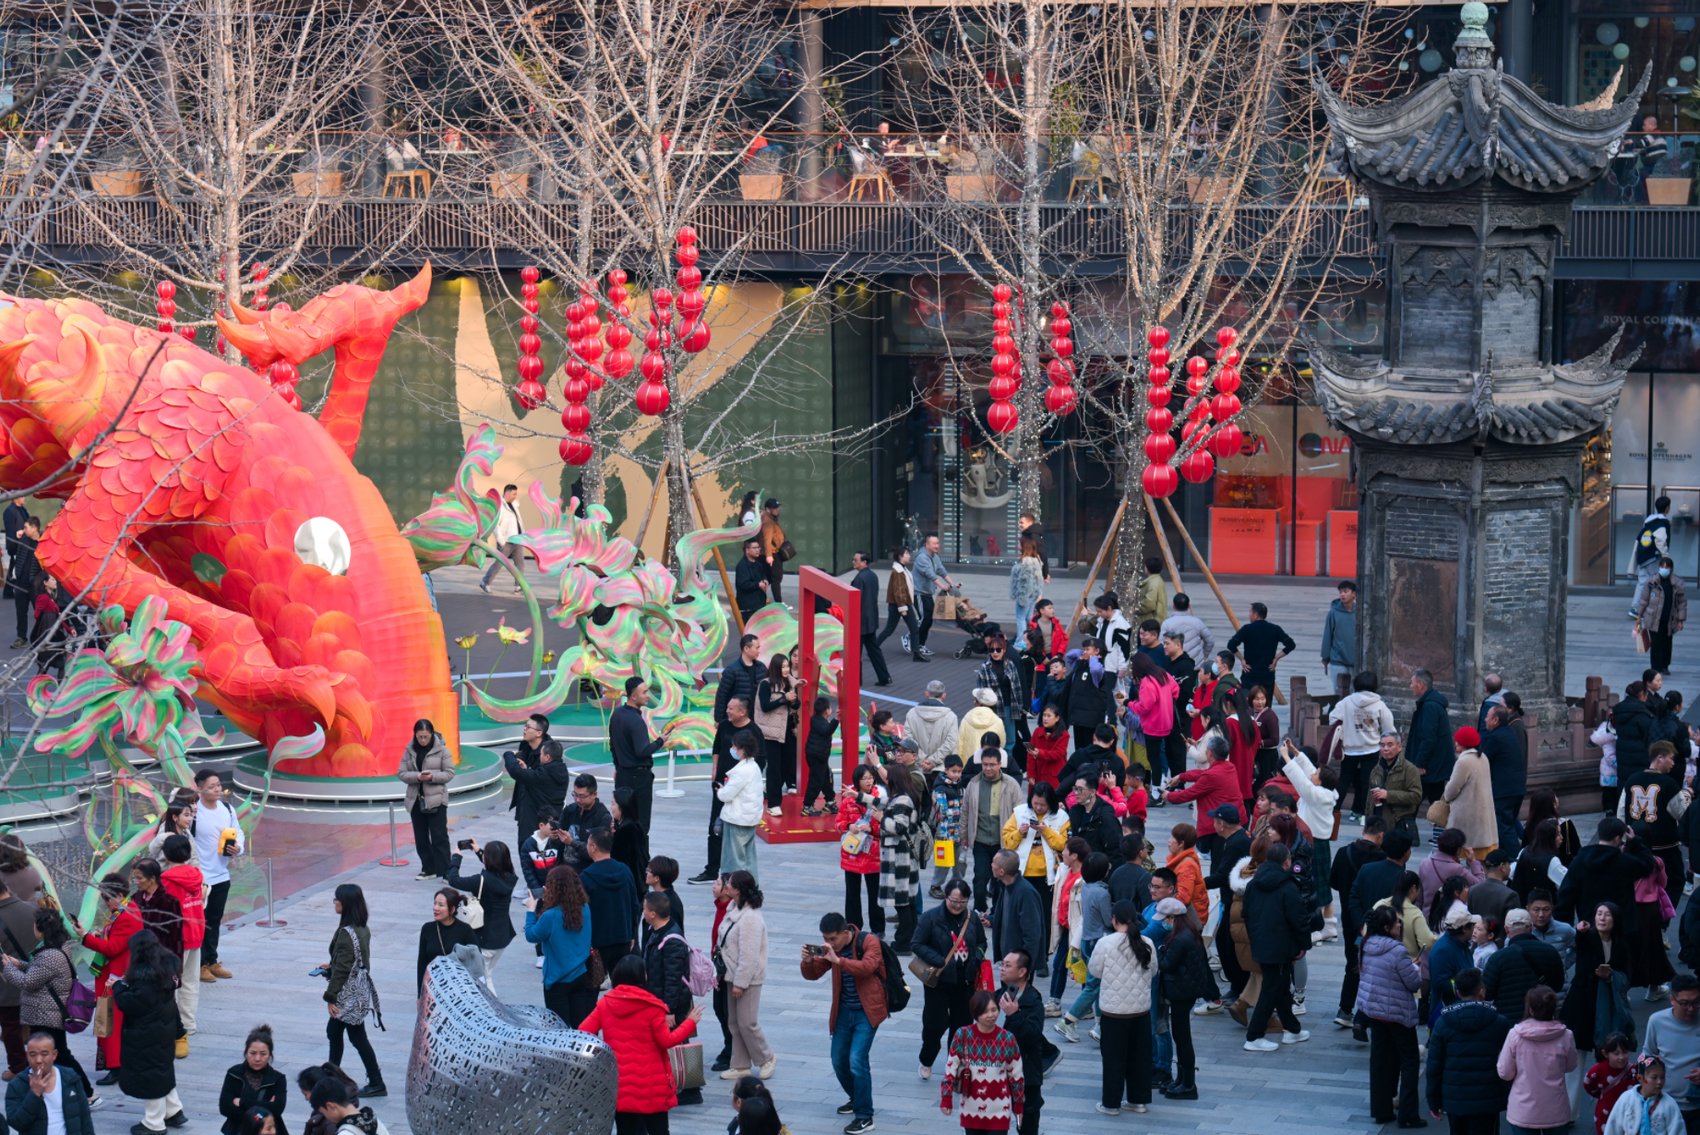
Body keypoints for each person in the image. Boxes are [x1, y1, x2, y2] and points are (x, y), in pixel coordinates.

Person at [579, 953, 701, 1135]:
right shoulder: (652, 1007)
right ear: (642, 977)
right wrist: (689, 1022)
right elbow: (666, 1041)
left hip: (620, 1084)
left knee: (626, 1131)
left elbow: (584, 1030)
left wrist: (603, 1054)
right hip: (653, 1086)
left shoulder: (605, 1004)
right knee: (658, 1131)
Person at [800, 911, 888, 1135]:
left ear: (845, 933)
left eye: (832, 939)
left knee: (857, 1059)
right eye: (825, 939)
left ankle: (865, 1116)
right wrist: (808, 962)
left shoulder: (869, 941)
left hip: (868, 1012)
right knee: (838, 1060)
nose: (828, 943)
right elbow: (813, 974)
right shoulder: (833, 950)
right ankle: (857, 1097)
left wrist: (838, 960)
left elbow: (868, 968)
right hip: (843, 1012)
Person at [1241, 842, 1311, 1051]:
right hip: (1281, 946)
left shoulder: (1254, 883)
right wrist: (1303, 943)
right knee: (1272, 989)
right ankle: (1254, 1036)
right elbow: (1298, 919)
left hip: (1260, 942)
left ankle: (1292, 1029)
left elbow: (1246, 914)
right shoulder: (1288, 885)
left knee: (1279, 986)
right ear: (1286, 861)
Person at [1425, 967, 1512, 1135]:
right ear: (1482, 991)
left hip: (1455, 1098)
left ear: (1457, 992)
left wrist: (1433, 1101)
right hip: (1488, 1097)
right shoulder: (1499, 1022)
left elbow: (1434, 1065)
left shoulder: (1443, 1022)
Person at [1356, 905, 1423, 1125]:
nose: (1399, 924)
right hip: (1397, 1013)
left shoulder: (1365, 945)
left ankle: (1381, 1110)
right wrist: (1415, 968)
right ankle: (1408, 1115)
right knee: (1410, 1061)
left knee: (1380, 1061)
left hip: (1375, 1011)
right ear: (1387, 927)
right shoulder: (1397, 950)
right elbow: (1413, 983)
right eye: (1396, 922)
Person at [112, 930, 183, 1133]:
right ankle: (173, 1111)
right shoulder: (166, 969)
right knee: (163, 1070)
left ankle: (154, 1123)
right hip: (164, 1031)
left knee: (151, 1076)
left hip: (147, 1035)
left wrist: (118, 987)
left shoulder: (146, 978)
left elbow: (129, 1003)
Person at [1089, 900, 1155, 1115]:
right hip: (1141, 1010)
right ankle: (1138, 1100)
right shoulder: (1147, 942)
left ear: (1114, 919)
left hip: (1114, 1012)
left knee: (1113, 1059)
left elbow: (1095, 971)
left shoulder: (1105, 943)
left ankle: (1111, 1104)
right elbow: (1154, 971)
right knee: (1139, 1057)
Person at [916, 880, 986, 1081]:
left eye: (962, 901)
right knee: (934, 1025)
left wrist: (977, 958)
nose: (957, 905)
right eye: (954, 900)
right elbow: (917, 943)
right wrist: (938, 960)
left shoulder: (972, 918)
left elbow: (982, 942)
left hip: (965, 981)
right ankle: (926, 1058)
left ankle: (954, 1066)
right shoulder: (931, 918)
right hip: (938, 981)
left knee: (962, 1026)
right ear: (946, 897)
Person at [321, 884, 384, 1099]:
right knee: (336, 1032)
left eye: (337, 899)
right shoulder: (361, 928)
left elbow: (343, 970)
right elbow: (358, 961)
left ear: (345, 903)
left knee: (356, 1037)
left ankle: (375, 1082)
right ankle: (332, 1077)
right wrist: (331, 965)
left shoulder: (347, 933)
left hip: (347, 996)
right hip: (358, 993)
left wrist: (331, 997)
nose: (334, 902)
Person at [76, 873, 140, 1085]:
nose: (105, 903)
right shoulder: (125, 911)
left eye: (106, 898)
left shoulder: (127, 916)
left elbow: (112, 948)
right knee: (109, 1022)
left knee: (108, 1023)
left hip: (114, 978)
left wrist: (86, 938)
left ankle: (115, 1066)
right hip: (113, 976)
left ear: (119, 894)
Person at [715, 871, 773, 1081]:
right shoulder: (734, 909)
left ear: (738, 889)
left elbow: (748, 955)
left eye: (729, 884)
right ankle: (739, 1065)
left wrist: (740, 983)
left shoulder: (750, 918)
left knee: (747, 1022)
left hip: (747, 979)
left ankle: (766, 1058)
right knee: (734, 1022)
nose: (725, 886)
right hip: (731, 975)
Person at [1497, 986, 1578, 1135]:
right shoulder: (1566, 1035)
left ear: (1530, 1010)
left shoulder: (1515, 1035)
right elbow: (1571, 1066)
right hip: (1556, 1108)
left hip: (1523, 1109)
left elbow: (1505, 1073)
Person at [941, 990, 1025, 1132]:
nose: (991, 1015)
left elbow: (1016, 1075)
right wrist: (946, 1098)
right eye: (985, 1012)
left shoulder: (1007, 1038)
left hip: (1000, 1110)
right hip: (970, 1110)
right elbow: (950, 1069)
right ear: (975, 1013)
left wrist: (1018, 1105)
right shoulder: (962, 1035)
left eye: (994, 1010)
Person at [1154, 896, 1212, 1099]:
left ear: (1173, 918)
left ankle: (1188, 1084)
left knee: (1182, 1038)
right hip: (1185, 990)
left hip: (1181, 992)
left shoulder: (1180, 938)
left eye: (1165, 918)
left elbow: (1167, 964)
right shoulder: (1188, 933)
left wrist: (1159, 951)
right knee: (1181, 1037)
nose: (1163, 922)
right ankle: (1182, 1079)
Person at [526, 865, 596, 1027]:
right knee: (579, 1026)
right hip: (580, 974)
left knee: (559, 1029)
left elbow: (531, 935)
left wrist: (531, 910)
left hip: (557, 980)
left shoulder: (550, 916)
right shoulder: (585, 908)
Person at [190, 768, 243, 982]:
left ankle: (212, 960)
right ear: (199, 788)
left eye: (219, 785)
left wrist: (238, 847)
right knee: (199, 921)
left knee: (214, 919)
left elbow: (238, 832)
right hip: (201, 877)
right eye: (212, 787)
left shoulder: (227, 809)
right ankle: (200, 964)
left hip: (221, 874)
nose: (217, 790)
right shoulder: (194, 812)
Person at [445, 839, 518, 992]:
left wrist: (456, 858)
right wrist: (478, 851)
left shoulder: (480, 881)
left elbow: (453, 879)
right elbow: (494, 866)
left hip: (484, 938)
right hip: (503, 936)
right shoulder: (511, 878)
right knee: (487, 974)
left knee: (482, 978)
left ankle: (491, 1010)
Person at [1330, 670, 1396, 822]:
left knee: (1344, 781)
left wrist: (1343, 732)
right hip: (1371, 749)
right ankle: (1362, 813)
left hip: (1350, 749)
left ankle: (1334, 810)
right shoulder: (1379, 705)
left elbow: (1333, 718)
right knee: (1367, 782)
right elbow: (1389, 728)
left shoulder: (1346, 702)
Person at [6, 1029, 95, 1135]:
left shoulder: (70, 1078)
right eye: (33, 1054)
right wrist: (34, 1094)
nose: (38, 1060)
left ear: (54, 1055)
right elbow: (16, 1123)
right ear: (27, 1056)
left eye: (44, 1054)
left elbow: (85, 1118)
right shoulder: (17, 1084)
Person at [611, 680, 673, 832]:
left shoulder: (617, 714)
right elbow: (642, 751)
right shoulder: (636, 721)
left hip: (622, 775)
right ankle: (640, 855)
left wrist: (618, 767)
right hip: (638, 779)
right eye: (644, 692)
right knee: (641, 824)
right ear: (633, 696)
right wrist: (660, 741)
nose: (648, 696)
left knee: (622, 820)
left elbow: (613, 746)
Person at [398, 720, 455, 881]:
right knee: (421, 837)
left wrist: (432, 777)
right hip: (416, 799)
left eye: (426, 737)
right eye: (420, 737)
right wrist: (417, 776)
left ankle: (445, 871)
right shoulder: (409, 751)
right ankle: (428, 868)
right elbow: (402, 773)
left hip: (436, 799)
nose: (423, 740)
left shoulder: (442, 750)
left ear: (432, 735)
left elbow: (450, 773)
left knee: (439, 837)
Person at [1483, 909, 1565, 1021]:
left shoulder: (1498, 958)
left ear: (1506, 929)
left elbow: (1486, 993)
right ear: (1531, 927)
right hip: (1542, 1018)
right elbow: (1557, 985)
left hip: (1509, 1022)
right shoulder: (1550, 952)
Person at [1642, 975, 1700, 1126]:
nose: (1691, 1008)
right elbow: (1647, 1056)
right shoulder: (1657, 1021)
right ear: (1672, 1000)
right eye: (1684, 1003)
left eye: (1696, 1002)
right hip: (1665, 1104)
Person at [964, 749, 1017, 913]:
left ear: (1000, 764)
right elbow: (965, 812)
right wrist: (964, 835)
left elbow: (1019, 812)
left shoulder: (1011, 784)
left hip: (1002, 842)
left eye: (992, 765)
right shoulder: (973, 783)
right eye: (985, 764)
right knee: (979, 880)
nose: (988, 768)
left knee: (1000, 881)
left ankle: (997, 912)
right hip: (980, 840)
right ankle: (979, 910)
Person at [582, 828, 640, 976]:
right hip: (623, 938)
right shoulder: (625, 871)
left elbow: (582, 912)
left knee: (592, 985)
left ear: (593, 847)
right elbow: (634, 905)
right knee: (621, 984)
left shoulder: (586, 877)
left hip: (597, 941)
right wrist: (632, 933)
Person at [877, 770, 923, 952]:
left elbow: (899, 827)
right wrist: (857, 795)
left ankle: (903, 941)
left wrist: (881, 820)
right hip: (903, 855)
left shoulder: (903, 800)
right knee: (907, 900)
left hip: (899, 856)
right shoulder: (901, 797)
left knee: (902, 901)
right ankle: (909, 939)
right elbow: (881, 803)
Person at [837, 765, 886, 934]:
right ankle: (853, 926)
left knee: (875, 894)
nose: (868, 781)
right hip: (852, 853)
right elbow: (838, 823)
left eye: (871, 778)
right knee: (852, 893)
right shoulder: (847, 801)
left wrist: (871, 829)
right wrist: (849, 826)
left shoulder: (880, 799)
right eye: (865, 778)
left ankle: (878, 928)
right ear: (857, 781)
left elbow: (885, 827)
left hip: (873, 853)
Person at [220, 1024, 289, 1135]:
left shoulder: (278, 1079)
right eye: (253, 1053)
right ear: (246, 1052)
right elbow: (225, 1107)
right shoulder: (234, 1074)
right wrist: (263, 1107)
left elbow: (276, 1109)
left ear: (270, 1055)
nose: (257, 1058)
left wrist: (242, 1102)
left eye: (263, 1054)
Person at [1441, 728, 1499, 859]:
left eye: (1458, 741)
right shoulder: (1483, 757)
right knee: (1481, 859)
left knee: (1462, 853)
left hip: (1467, 817)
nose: (1455, 743)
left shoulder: (1463, 761)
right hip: (1482, 815)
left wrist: (1446, 790)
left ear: (1464, 744)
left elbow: (1451, 791)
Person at [753, 656, 800, 813]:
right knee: (774, 767)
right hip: (770, 732)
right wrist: (784, 699)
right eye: (783, 667)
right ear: (775, 668)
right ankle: (773, 804)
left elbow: (797, 704)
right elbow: (765, 706)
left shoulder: (789, 684)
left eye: (787, 666)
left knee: (785, 765)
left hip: (786, 730)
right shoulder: (765, 684)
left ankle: (775, 796)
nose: (786, 669)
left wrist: (792, 700)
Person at [1226, 601, 1295, 705]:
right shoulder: (1275, 629)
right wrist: (1276, 659)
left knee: (1248, 706)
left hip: (1250, 674)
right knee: (1265, 705)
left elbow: (1231, 645)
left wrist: (1242, 659)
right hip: (1267, 675)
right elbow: (1290, 644)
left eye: (1250, 612)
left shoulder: (1247, 629)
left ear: (1255, 614)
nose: (1249, 615)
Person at [1480, 705, 1527, 852]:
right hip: (1517, 788)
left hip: (1504, 790)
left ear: (1495, 720)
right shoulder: (1508, 733)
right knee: (1510, 823)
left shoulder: (1495, 737)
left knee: (1504, 826)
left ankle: (1516, 860)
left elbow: (1483, 760)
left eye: (1487, 716)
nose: (1485, 719)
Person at [717, 735, 765, 880]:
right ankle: (751, 889)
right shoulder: (754, 766)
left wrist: (720, 790)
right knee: (749, 859)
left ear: (742, 750)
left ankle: (734, 891)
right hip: (750, 818)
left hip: (737, 819)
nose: (732, 750)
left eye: (735, 747)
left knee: (734, 861)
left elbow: (726, 795)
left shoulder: (741, 771)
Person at [989, 850, 1046, 972]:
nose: (991, 865)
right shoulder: (1005, 886)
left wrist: (1024, 966)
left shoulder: (1026, 893)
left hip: (1019, 966)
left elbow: (1032, 935)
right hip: (1008, 961)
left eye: (994, 863)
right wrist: (991, 920)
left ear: (1002, 871)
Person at [1603, 1054, 1684, 1135]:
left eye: (1662, 1077)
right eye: (1654, 1077)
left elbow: (1677, 1131)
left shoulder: (1669, 1104)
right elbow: (1613, 1127)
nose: (1659, 1082)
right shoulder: (1626, 1099)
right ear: (1640, 1078)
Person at [1056, 638, 1114, 751]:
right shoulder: (1079, 665)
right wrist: (1082, 653)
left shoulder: (1098, 668)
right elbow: (1069, 656)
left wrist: (1093, 658)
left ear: (1097, 651)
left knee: (1089, 748)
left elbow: (1095, 670)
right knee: (1079, 748)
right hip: (1077, 715)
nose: (1084, 651)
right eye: (1084, 649)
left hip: (1091, 719)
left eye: (1087, 649)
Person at [1408, 670, 1455, 804]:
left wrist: (1420, 763)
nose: (1410, 686)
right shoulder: (1430, 703)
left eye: (1412, 683)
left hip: (1430, 766)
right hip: (1434, 764)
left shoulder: (1430, 706)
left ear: (1421, 684)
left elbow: (1428, 737)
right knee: (1434, 800)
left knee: (1416, 801)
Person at [1368, 732, 1425, 842]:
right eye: (1382, 745)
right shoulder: (1376, 769)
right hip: (1377, 823)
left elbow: (1416, 796)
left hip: (1398, 823)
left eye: (1390, 745)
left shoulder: (1409, 769)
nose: (1385, 749)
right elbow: (1368, 798)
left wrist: (1389, 795)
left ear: (1399, 747)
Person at [848, 552, 891, 688]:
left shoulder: (859, 579)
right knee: (874, 650)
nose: (853, 562)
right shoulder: (872, 576)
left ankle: (856, 680)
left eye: (856, 560)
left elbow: (855, 601)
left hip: (859, 620)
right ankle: (884, 677)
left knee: (856, 653)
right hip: (871, 619)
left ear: (864, 562)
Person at [913, 533, 958, 660]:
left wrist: (952, 584)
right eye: (934, 543)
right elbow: (930, 575)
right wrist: (943, 586)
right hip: (918, 594)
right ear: (927, 545)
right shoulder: (922, 558)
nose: (937, 546)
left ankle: (920, 644)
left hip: (927, 594)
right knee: (924, 619)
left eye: (938, 543)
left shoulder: (935, 556)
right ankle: (915, 643)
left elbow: (942, 571)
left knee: (928, 619)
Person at [1630, 496, 1674, 617]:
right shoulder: (1662, 523)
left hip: (1643, 556)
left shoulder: (1649, 522)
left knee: (1642, 582)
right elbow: (1660, 541)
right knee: (1655, 582)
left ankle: (1635, 608)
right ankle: (1651, 608)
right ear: (1667, 508)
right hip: (1653, 557)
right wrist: (1666, 557)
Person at [479, 482, 526, 591]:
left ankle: (519, 586)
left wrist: (523, 535)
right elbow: (495, 525)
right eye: (514, 494)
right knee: (499, 564)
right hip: (507, 541)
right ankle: (485, 582)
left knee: (520, 564)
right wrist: (501, 541)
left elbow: (519, 521)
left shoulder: (514, 505)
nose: (515, 496)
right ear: (507, 493)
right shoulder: (500, 506)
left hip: (517, 540)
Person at [876, 547, 920, 656]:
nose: (909, 556)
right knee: (914, 629)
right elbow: (899, 591)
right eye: (907, 554)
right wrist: (903, 608)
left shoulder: (902, 569)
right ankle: (917, 654)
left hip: (899, 604)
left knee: (889, 629)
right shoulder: (899, 571)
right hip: (901, 604)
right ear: (900, 557)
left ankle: (874, 648)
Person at [5, 516, 39, 649]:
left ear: (34, 528)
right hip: (20, 582)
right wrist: (15, 536)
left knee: (39, 612)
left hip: (34, 584)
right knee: (21, 611)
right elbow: (12, 550)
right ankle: (21, 637)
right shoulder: (23, 538)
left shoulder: (42, 542)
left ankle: (42, 637)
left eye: (26, 527)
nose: (23, 529)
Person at [307, 1078, 387, 1135]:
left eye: (323, 1113)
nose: (326, 1117)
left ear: (330, 1106)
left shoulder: (346, 1133)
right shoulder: (375, 1121)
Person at [1320, 580, 1358, 696]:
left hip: (1356, 660)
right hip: (1338, 659)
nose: (1342, 594)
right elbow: (1328, 635)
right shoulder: (1333, 612)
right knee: (1339, 691)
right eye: (1340, 592)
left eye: (1346, 592)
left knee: (1355, 692)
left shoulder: (1361, 612)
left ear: (1354, 594)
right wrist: (1325, 657)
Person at [1160, 593, 1214, 669]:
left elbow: (1161, 644)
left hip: (1174, 664)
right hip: (1195, 664)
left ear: (1173, 606)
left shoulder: (1167, 623)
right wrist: (1204, 656)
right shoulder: (1197, 622)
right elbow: (1210, 641)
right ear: (1189, 606)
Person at [1009, 539, 1043, 640]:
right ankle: (1033, 638)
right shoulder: (1035, 560)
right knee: (1029, 618)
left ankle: (1021, 641)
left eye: (1019, 543)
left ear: (1024, 547)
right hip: (1033, 594)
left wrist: (1022, 598)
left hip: (1025, 595)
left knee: (1021, 618)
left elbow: (1025, 582)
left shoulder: (1026, 562)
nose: (1017, 545)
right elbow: (1038, 579)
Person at [734, 537, 770, 627]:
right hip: (748, 607)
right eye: (754, 548)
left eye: (758, 547)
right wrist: (758, 585)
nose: (758, 550)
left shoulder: (758, 564)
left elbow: (763, 576)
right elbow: (742, 584)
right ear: (747, 550)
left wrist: (765, 580)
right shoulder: (742, 566)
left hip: (759, 604)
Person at [758, 498, 788, 604]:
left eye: (777, 507)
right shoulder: (767, 521)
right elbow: (767, 539)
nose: (777, 509)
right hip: (772, 554)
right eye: (774, 508)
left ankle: (761, 599)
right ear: (768, 509)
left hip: (770, 553)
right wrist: (769, 556)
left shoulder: (769, 518)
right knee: (776, 579)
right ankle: (779, 603)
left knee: (768, 578)